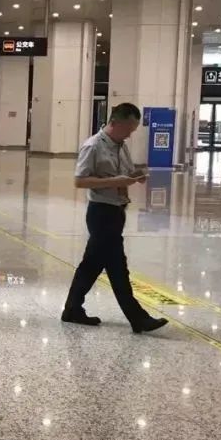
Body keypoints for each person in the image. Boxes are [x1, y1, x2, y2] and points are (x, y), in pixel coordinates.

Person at [62, 103, 167, 334]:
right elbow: (80, 180)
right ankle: (138, 318)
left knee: (91, 266)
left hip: (117, 211)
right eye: (128, 128)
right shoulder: (93, 146)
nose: (130, 134)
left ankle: (72, 309)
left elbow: (124, 173)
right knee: (118, 268)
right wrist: (115, 182)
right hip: (101, 213)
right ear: (115, 123)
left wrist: (135, 176)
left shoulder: (121, 146)